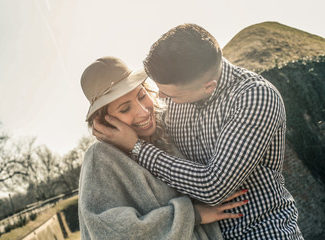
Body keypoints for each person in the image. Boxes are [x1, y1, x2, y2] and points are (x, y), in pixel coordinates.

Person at [93, 24, 303, 239]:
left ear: (208, 87)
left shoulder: (255, 97)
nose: (161, 98)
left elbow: (214, 187)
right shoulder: (177, 96)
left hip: (262, 230)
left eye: (171, 95)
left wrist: (137, 148)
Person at [78, 56, 249, 240]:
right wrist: (191, 215)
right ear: (104, 121)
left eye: (142, 96)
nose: (143, 112)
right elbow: (110, 233)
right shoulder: (101, 157)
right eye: (125, 109)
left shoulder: (168, 131)